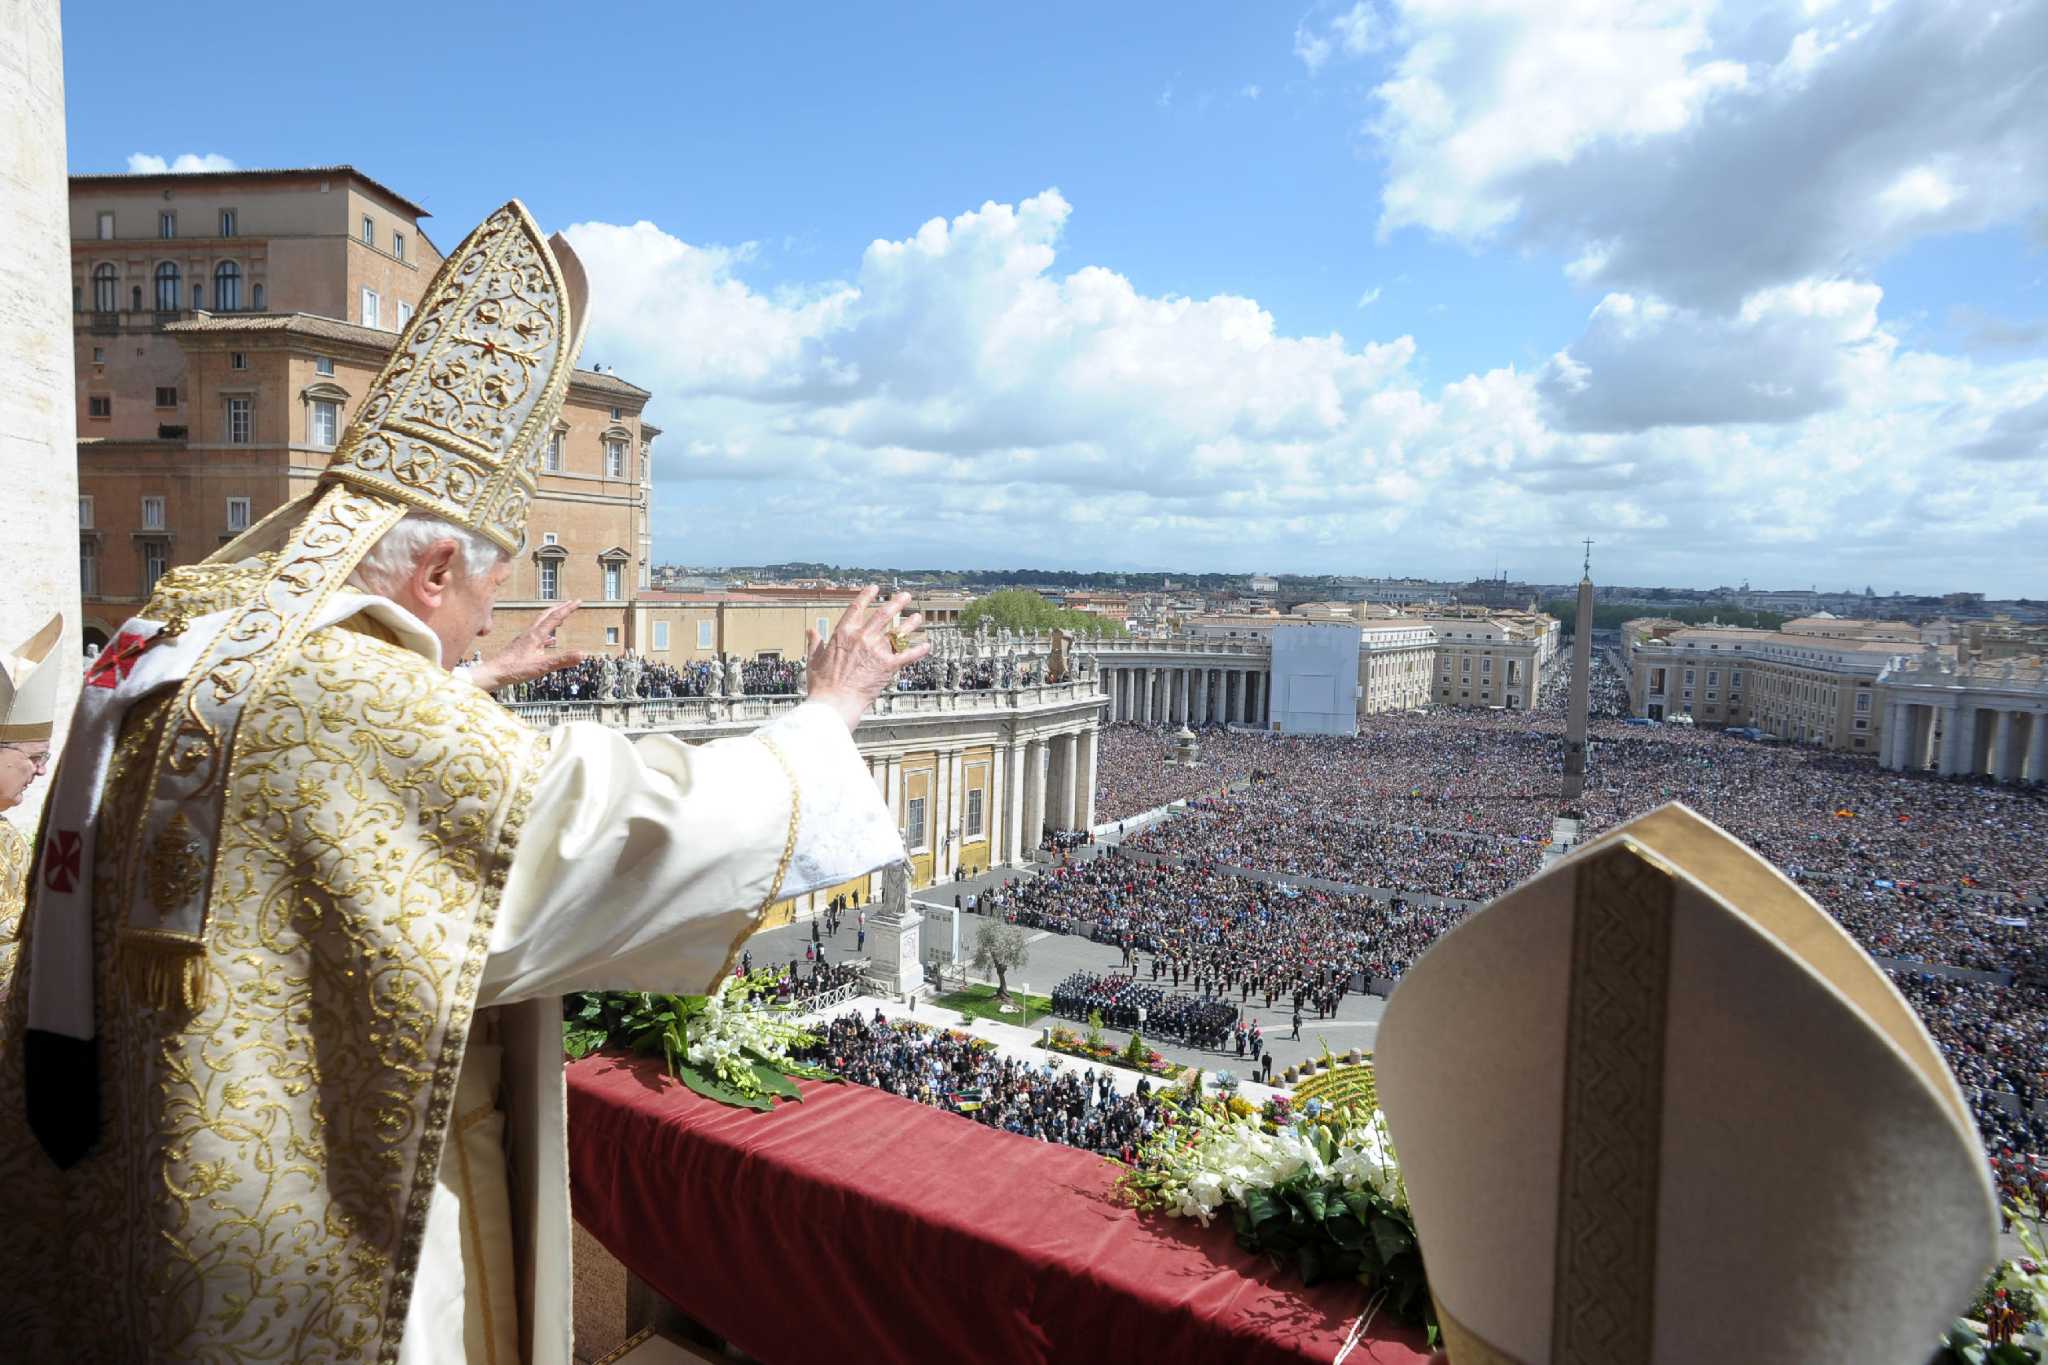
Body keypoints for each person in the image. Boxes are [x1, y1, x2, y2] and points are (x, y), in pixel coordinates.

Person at [0, 204, 929, 1365]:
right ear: (436, 564)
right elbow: (615, 834)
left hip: (132, 1184)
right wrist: (827, 713)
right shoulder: (361, 699)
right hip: (312, 1245)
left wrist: (472, 670)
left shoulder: (182, 639)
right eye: (481, 602)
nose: (479, 626)